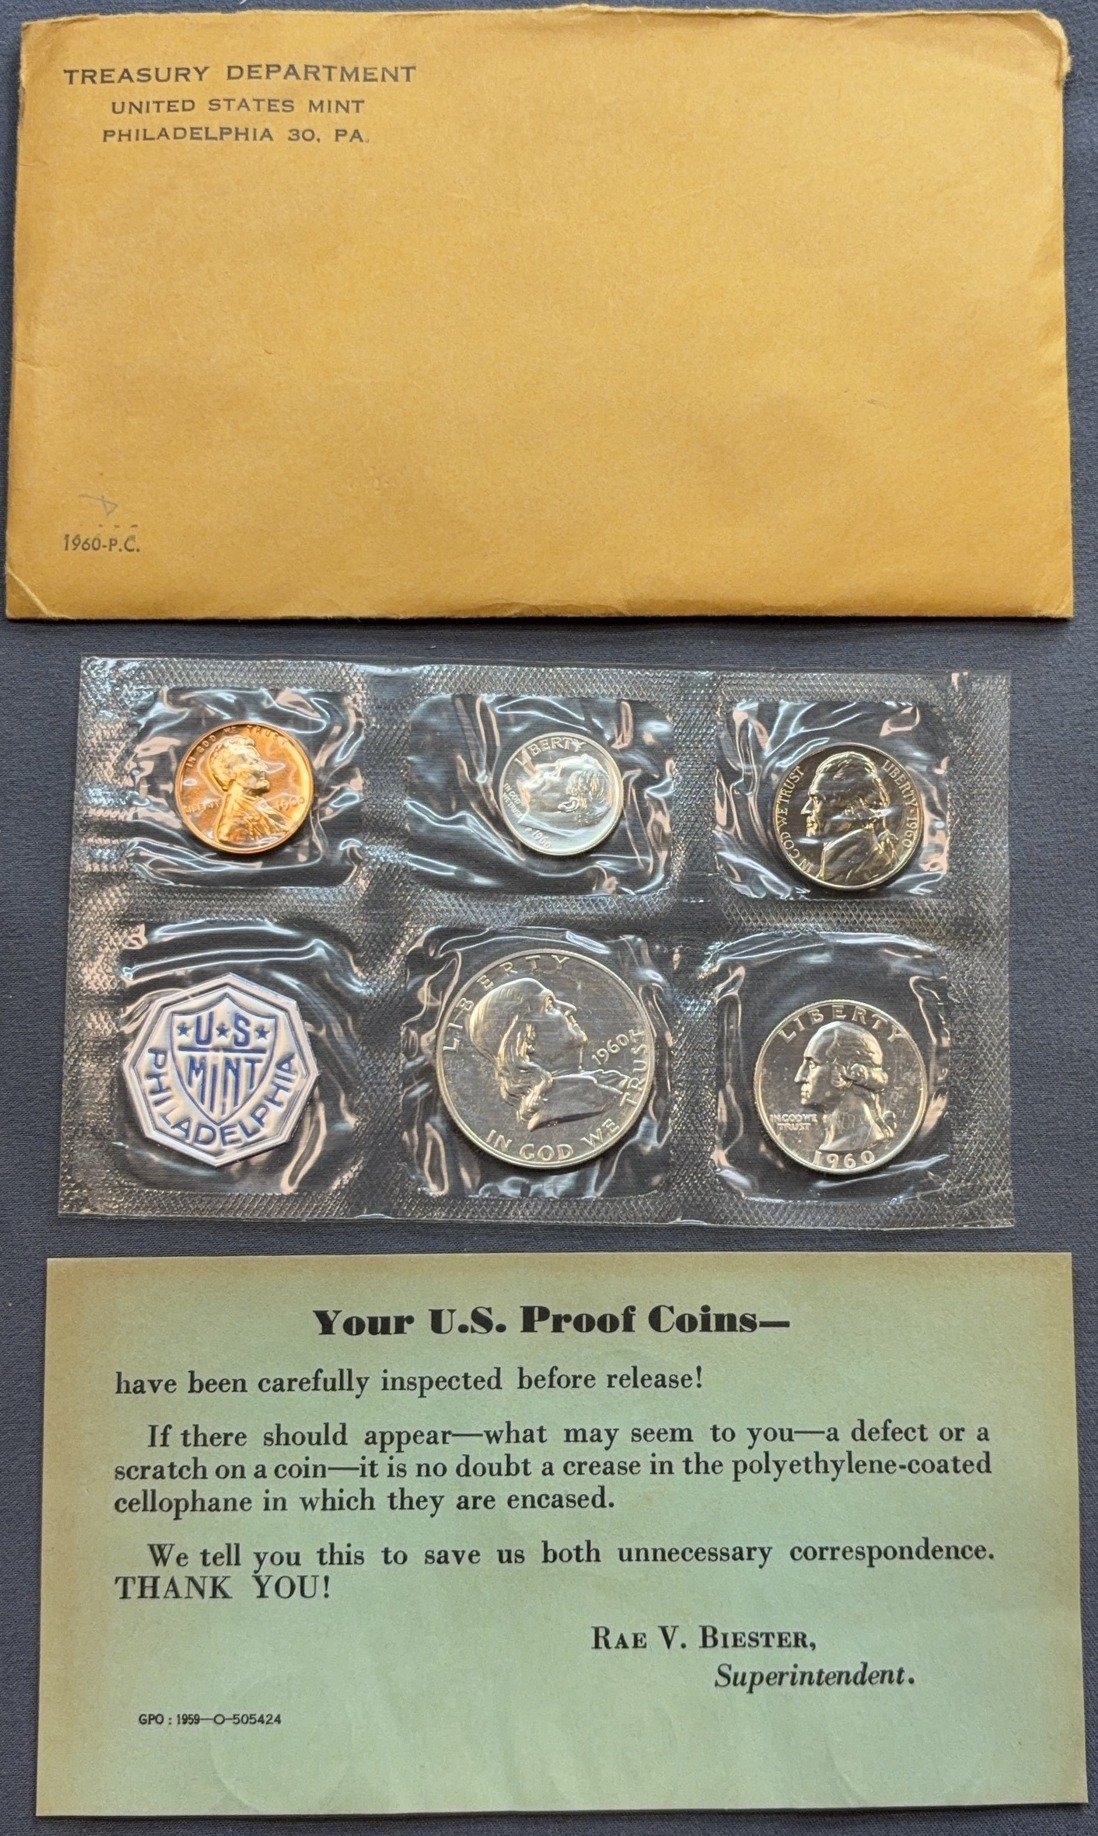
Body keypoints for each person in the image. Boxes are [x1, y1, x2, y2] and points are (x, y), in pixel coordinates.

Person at [466, 975, 624, 1130]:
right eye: (549, 1006)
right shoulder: (578, 1100)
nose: (570, 1008)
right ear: (526, 1041)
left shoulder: (604, 1082)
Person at [795, 1020, 895, 1153]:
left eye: (812, 1064)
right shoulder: (838, 1140)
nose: (798, 1078)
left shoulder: (860, 1139)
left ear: (846, 1073)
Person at [802, 750, 900, 885]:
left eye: (817, 799)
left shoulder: (867, 869)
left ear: (853, 805)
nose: (805, 810)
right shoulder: (835, 864)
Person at [206, 732, 289, 849]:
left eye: (258, 761)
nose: (264, 768)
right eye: (253, 762)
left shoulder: (259, 808)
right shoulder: (231, 828)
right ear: (232, 772)